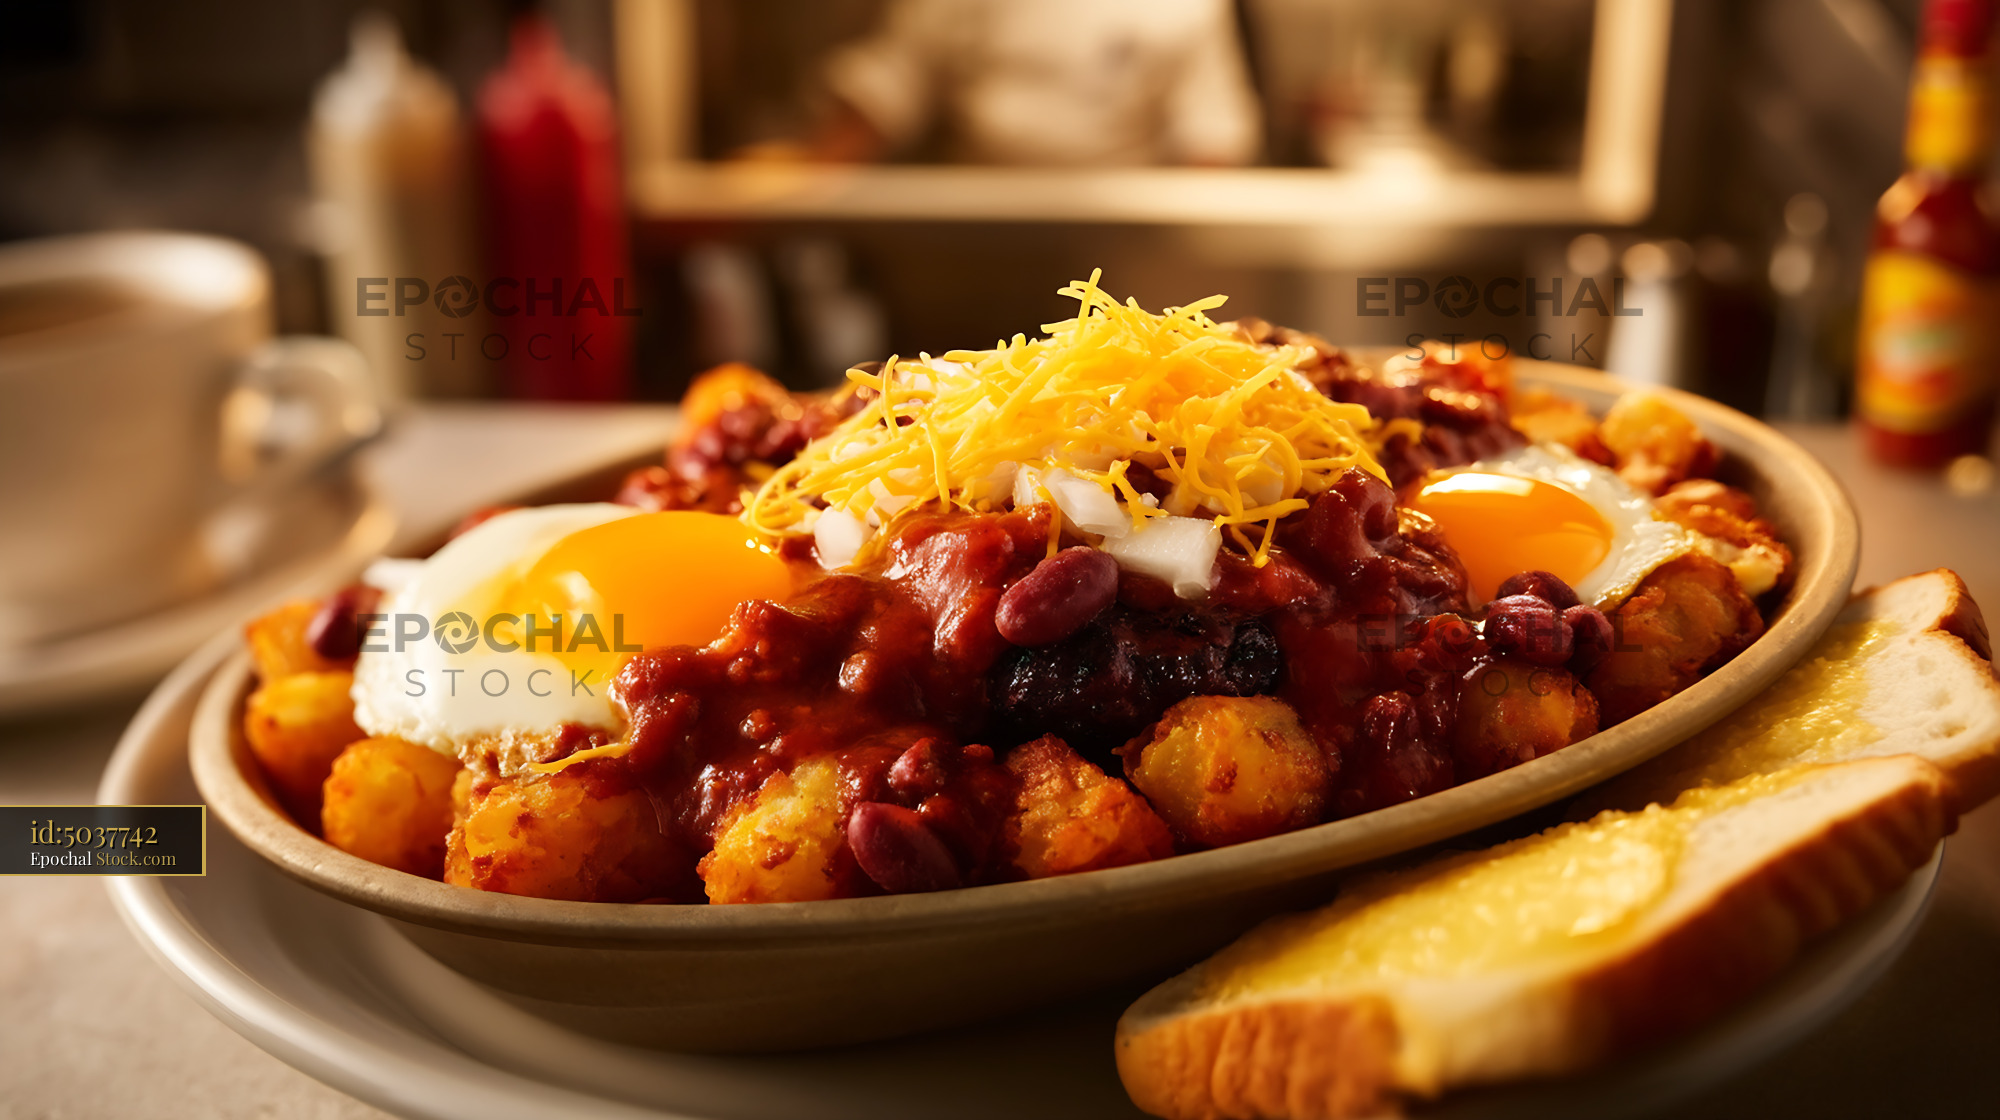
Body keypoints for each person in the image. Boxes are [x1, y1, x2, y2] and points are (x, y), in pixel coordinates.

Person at [808, 0, 1262, 167]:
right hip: (977, 230)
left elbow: (1211, 137)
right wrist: (806, 179)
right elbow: (893, 81)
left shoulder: (1186, 7)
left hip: (1123, 254)